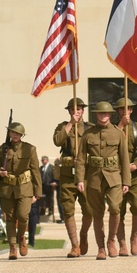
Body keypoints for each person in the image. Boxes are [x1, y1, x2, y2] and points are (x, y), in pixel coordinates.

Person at [75, 101, 129, 260]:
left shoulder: (118, 133)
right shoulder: (88, 134)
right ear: (96, 115)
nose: (103, 116)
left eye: (106, 113)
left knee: (114, 208)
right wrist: (80, 179)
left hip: (113, 178)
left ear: (111, 115)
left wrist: (126, 181)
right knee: (97, 213)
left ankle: (112, 240)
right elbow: (80, 159)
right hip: (94, 178)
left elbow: (124, 159)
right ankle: (100, 247)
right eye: (100, 113)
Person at [0, 121, 42, 260]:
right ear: (9, 133)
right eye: (12, 132)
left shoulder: (30, 149)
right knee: (10, 218)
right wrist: (0, 173)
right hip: (7, 188)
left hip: (24, 188)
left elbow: (35, 171)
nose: (14, 135)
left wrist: (38, 191)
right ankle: (12, 247)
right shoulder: (2, 149)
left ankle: (21, 237)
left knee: (22, 216)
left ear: (21, 135)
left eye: (17, 133)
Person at [53, 97, 93, 257]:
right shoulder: (63, 127)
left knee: (89, 210)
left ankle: (83, 234)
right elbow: (57, 141)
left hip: (86, 175)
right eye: (73, 109)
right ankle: (75, 245)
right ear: (69, 111)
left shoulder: (91, 128)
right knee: (68, 210)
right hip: (68, 175)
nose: (76, 112)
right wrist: (70, 124)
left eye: (79, 109)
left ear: (83, 110)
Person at [114, 96, 137, 256]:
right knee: (117, 210)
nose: (124, 111)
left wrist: (136, 165)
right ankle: (121, 243)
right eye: (121, 109)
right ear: (117, 111)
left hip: (134, 176)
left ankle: (134, 236)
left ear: (131, 110)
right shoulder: (111, 129)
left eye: (127, 108)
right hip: (116, 175)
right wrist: (121, 126)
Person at [39, 155, 55, 220]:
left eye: (43, 160)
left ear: (47, 160)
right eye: (42, 160)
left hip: (49, 185)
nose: (42, 161)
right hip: (43, 186)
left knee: (50, 198)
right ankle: (43, 210)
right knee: (42, 198)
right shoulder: (41, 168)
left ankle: (50, 210)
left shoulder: (51, 167)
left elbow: (54, 175)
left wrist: (54, 183)